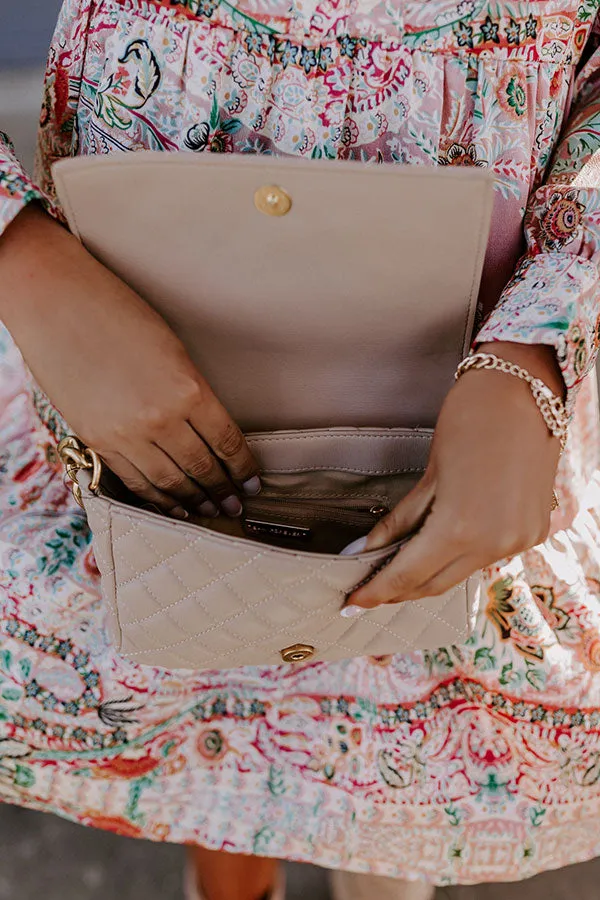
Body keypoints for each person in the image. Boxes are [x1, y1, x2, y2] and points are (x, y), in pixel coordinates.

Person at [1, 1, 600, 898]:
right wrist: (19, 257)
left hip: (482, 331)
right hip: (118, 310)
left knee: (395, 725)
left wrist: (535, 345)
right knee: (186, 636)